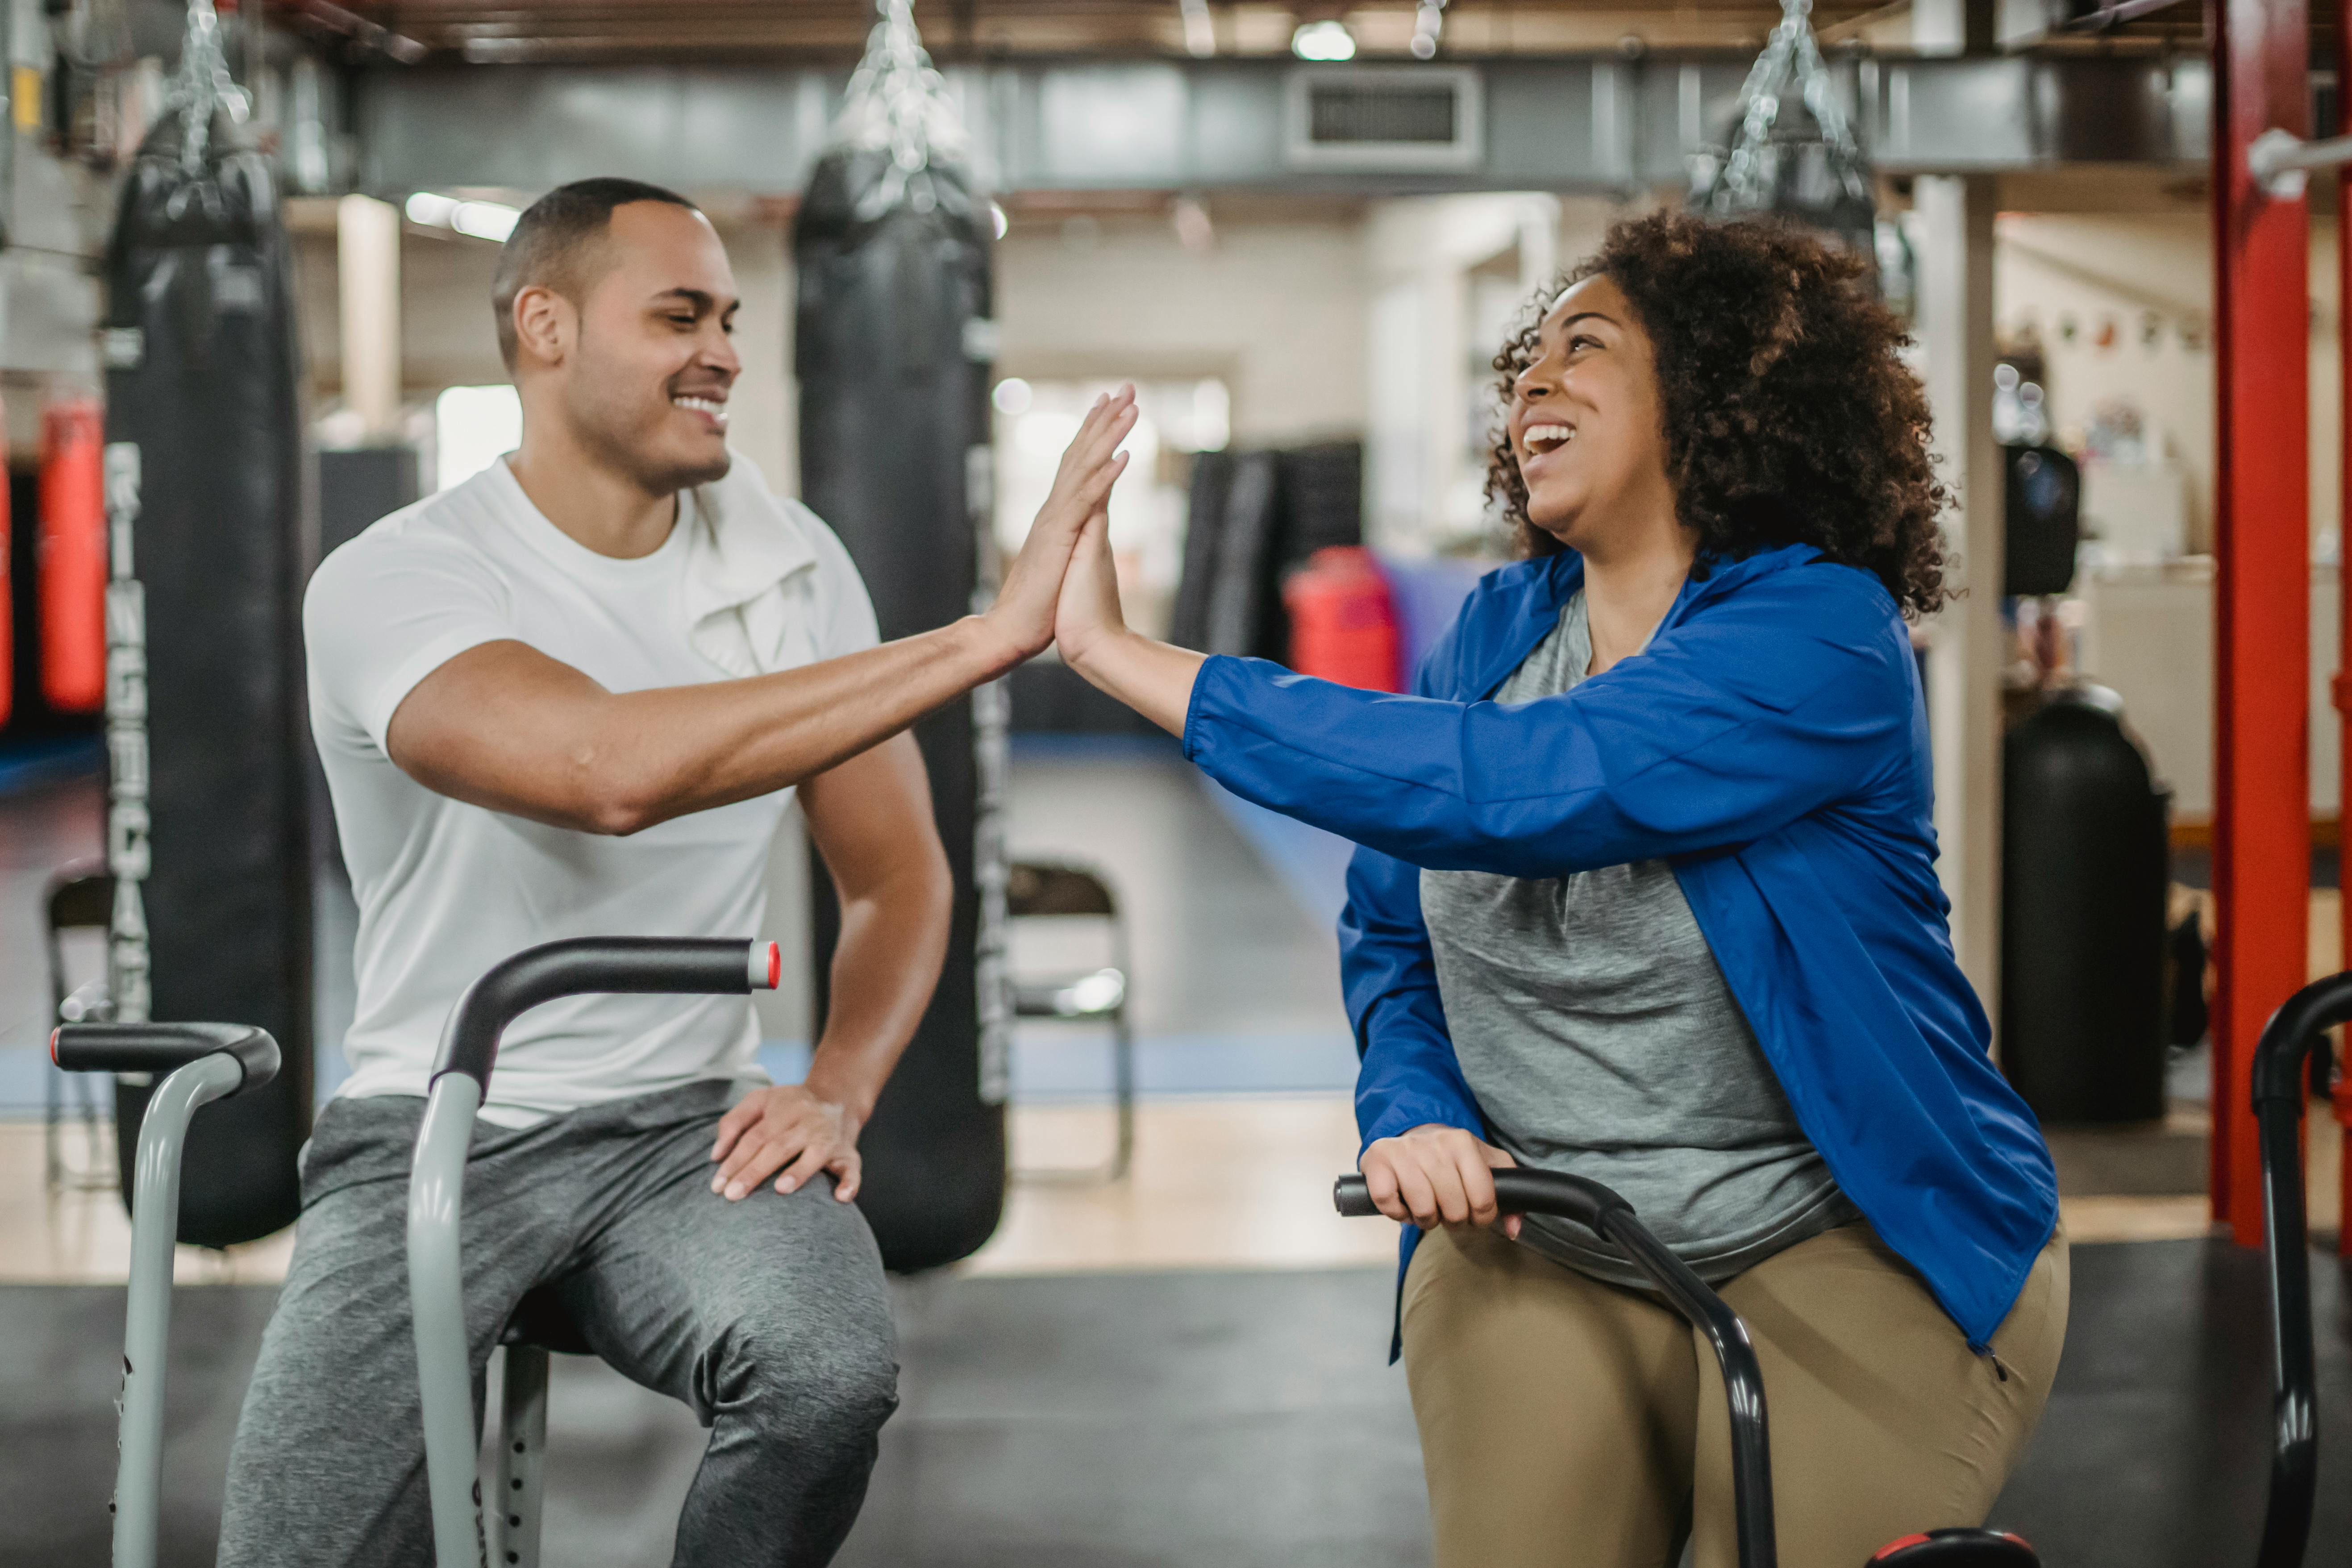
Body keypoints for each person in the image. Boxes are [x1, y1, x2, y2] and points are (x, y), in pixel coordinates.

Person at [1051, 211, 2065, 1567]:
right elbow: (1391, 925)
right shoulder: (1497, 630)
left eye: (1584, 348)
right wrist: (1409, 1105)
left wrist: (1131, 663)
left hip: (1850, 1228)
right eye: (1524, 359)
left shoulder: (1821, 634)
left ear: (1712, 399)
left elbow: (1527, 786)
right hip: (1552, 1227)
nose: (1533, 379)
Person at [216, 178, 1134, 1568]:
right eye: (677, 314)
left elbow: (899, 880)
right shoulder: (399, 577)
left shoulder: (788, 568)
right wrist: (987, 635)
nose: (723, 350)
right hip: (436, 1125)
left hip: (684, 1137)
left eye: (729, 317)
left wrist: (837, 1086)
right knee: (294, 1547)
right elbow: (608, 770)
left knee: (825, 1374)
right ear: (545, 325)